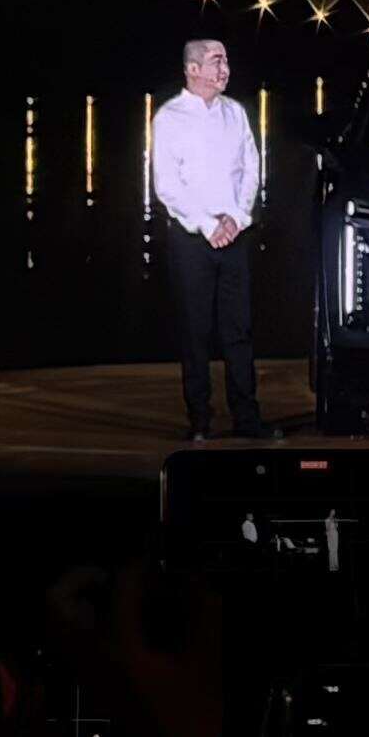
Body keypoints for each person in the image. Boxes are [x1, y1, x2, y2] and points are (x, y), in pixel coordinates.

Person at [151, 37, 277, 442]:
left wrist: (236, 219)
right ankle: (200, 418)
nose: (225, 69)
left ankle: (247, 416)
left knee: (239, 330)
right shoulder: (169, 118)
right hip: (192, 239)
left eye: (226, 61)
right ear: (193, 69)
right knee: (195, 331)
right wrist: (209, 225)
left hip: (234, 235)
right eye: (216, 61)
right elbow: (167, 185)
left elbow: (252, 169)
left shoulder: (235, 113)